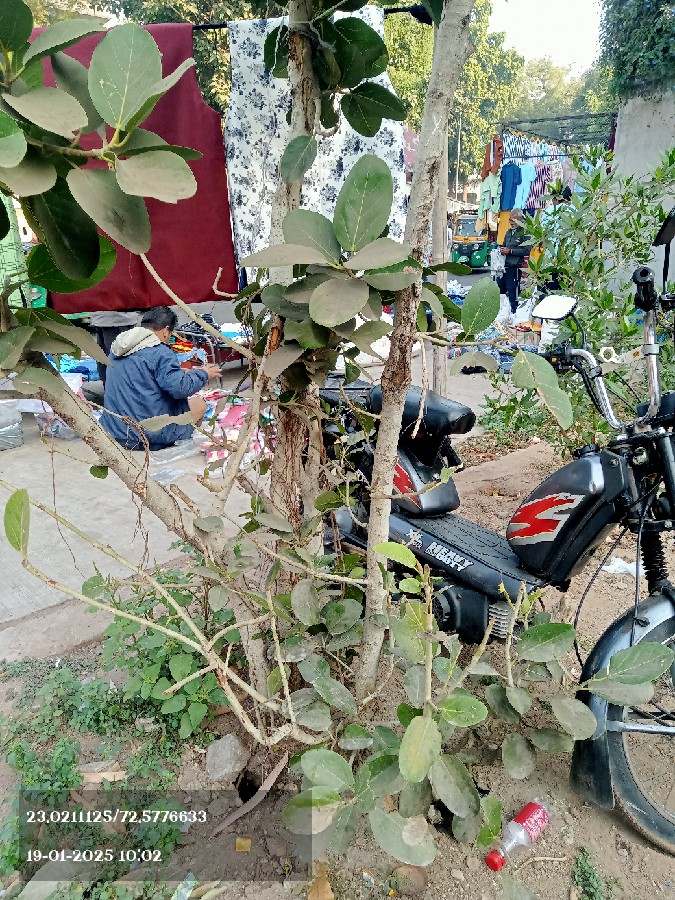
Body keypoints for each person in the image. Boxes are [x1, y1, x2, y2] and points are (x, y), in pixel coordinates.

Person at [100, 306, 221, 451]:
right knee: (200, 404)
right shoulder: (160, 351)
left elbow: (142, 376)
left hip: (117, 431)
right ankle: (177, 440)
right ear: (165, 330)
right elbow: (180, 389)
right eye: (170, 335)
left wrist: (180, 373)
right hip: (148, 435)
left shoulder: (117, 348)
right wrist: (204, 373)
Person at [90, 310, 140, 385]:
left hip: (112, 319)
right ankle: (113, 390)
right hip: (110, 319)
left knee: (111, 362)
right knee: (109, 362)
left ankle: (113, 389)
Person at [499, 209, 533, 317]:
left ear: (520, 220)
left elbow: (526, 251)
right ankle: (502, 316)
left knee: (513, 294)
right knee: (500, 292)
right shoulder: (509, 232)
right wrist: (501, 250)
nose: (512, 222)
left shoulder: (525, 232)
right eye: (510, 220)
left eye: (514, 220)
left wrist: (510, 251)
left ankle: (514, 316)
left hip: (515, 267)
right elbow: (504, 245)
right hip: (503, 267)